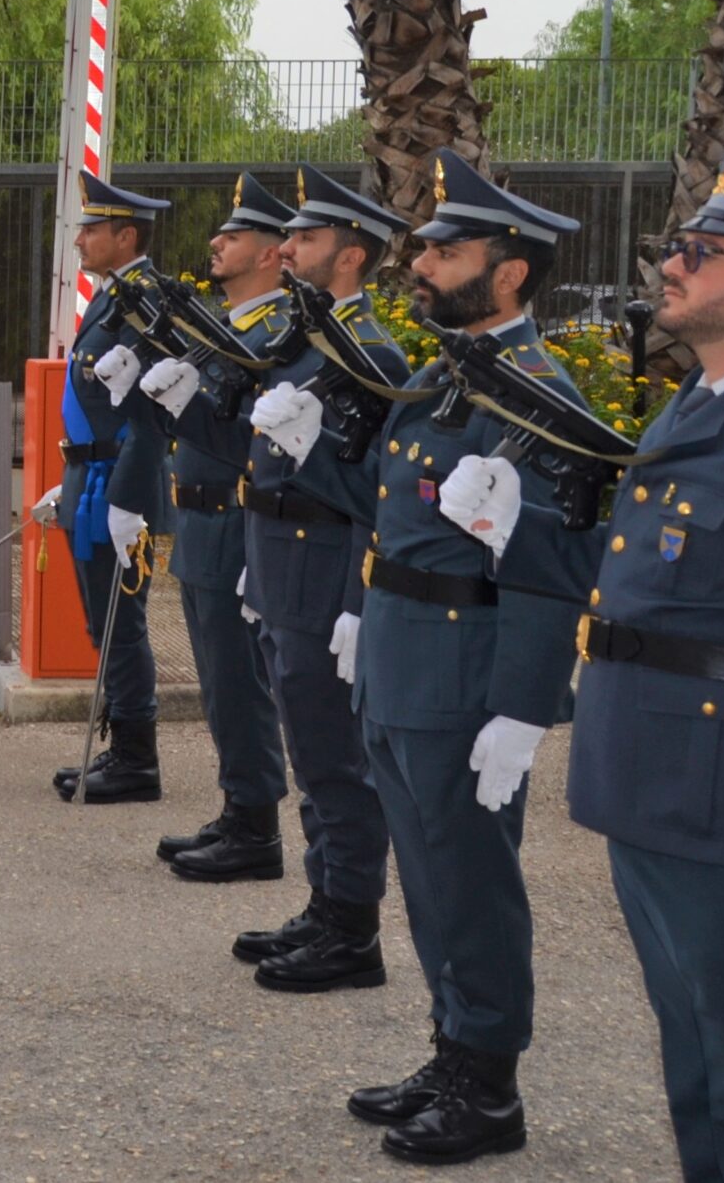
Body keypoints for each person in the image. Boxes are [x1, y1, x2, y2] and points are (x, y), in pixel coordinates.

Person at [441, 135, 724, 1181]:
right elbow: (639, 590)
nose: (672, 263)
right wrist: (519, 529)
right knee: (694, 1061)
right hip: (657, 792)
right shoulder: (701, 408)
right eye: (680, 241)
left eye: (708, 245)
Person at [265, 155, 589, 1164]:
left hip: (466, 672)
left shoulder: (538, 394)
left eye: (449, 251)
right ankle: (452, 1051)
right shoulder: (439, 377)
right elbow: (386, 519)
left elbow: (556, 561)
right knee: (430, 878)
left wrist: (525, 707)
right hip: (401, 656)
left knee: (472, 882)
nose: (423, 263)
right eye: (426, 246)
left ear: (510, 275)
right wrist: (310, 446)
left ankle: (488, 1087)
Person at [143, 163, 410, 994]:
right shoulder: (306, 340)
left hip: (328, 569)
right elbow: (248, 450)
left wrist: (362, 603)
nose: (289, 247)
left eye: (308, 237)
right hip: (281, 560)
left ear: (353, 256)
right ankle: (326, 903)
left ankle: (351, 928)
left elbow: (378, 491)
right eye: (288, 235)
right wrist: (184, 403)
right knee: (311, 751)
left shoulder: (368, 353)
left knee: (337, 759)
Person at [104, 173, 295, 880]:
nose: (217, 243)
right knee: (219, 682)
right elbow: (192, 418)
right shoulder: (230, 329)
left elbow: (246, 436)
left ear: (273, 253)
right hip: (201, 520)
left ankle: (257, 830)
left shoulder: (274, 333)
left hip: (237, 520)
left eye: (234, 235)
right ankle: (238, 808)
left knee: (242, 684)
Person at [36, 171, 169, 804]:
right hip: (89, 477)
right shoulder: (113, 296)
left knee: (121, 623)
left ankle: (138, 760)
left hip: (116, 484)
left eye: (92, 229)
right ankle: (121, 749)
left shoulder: (146, 301)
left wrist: (127, 498)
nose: (81, 240)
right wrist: (68, 481)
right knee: (103, 621)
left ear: (126, 235)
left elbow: (145, 413)